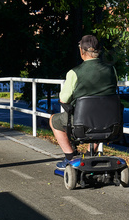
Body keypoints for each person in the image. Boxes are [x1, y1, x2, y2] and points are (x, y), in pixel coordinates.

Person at [50, 35, 118, 170]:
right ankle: (88, 154)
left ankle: (70, 157)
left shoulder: (74, 73)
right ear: (99, 51)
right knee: (99, 122)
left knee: (53, 120)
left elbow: (64, 99)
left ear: (81, 51)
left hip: (82, 120)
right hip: (109, 120)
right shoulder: (112, 70)